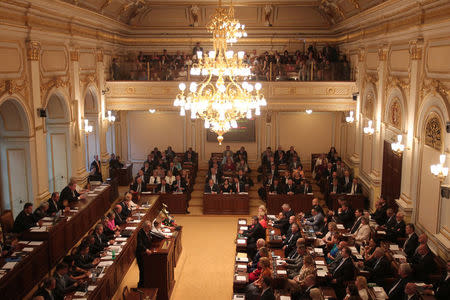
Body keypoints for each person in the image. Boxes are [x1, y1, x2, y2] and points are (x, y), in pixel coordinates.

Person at [136, 221, 153, 287]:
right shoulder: (140, 233)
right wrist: (146, 250)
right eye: (149, 227)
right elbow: (140, 244)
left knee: (146, 269)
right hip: (140, 254)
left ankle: (146, 282)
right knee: (142, 270)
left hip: (146, 253)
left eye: (150, 226)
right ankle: (141, 284)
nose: (150, 228)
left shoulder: (149, 231)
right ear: (144, 227)